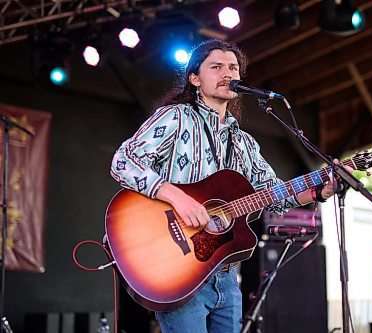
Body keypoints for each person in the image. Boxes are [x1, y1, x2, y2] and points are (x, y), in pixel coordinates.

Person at [110, 39, 339, 333]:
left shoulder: (243, 142)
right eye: (216, 67)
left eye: (233, 67)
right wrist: (179, 198)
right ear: (195, 78)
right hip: (179, 269)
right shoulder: (176, 118)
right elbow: (122, 161)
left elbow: (273, 194)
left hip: (227, 276)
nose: (227, 73)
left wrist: (318, 191)